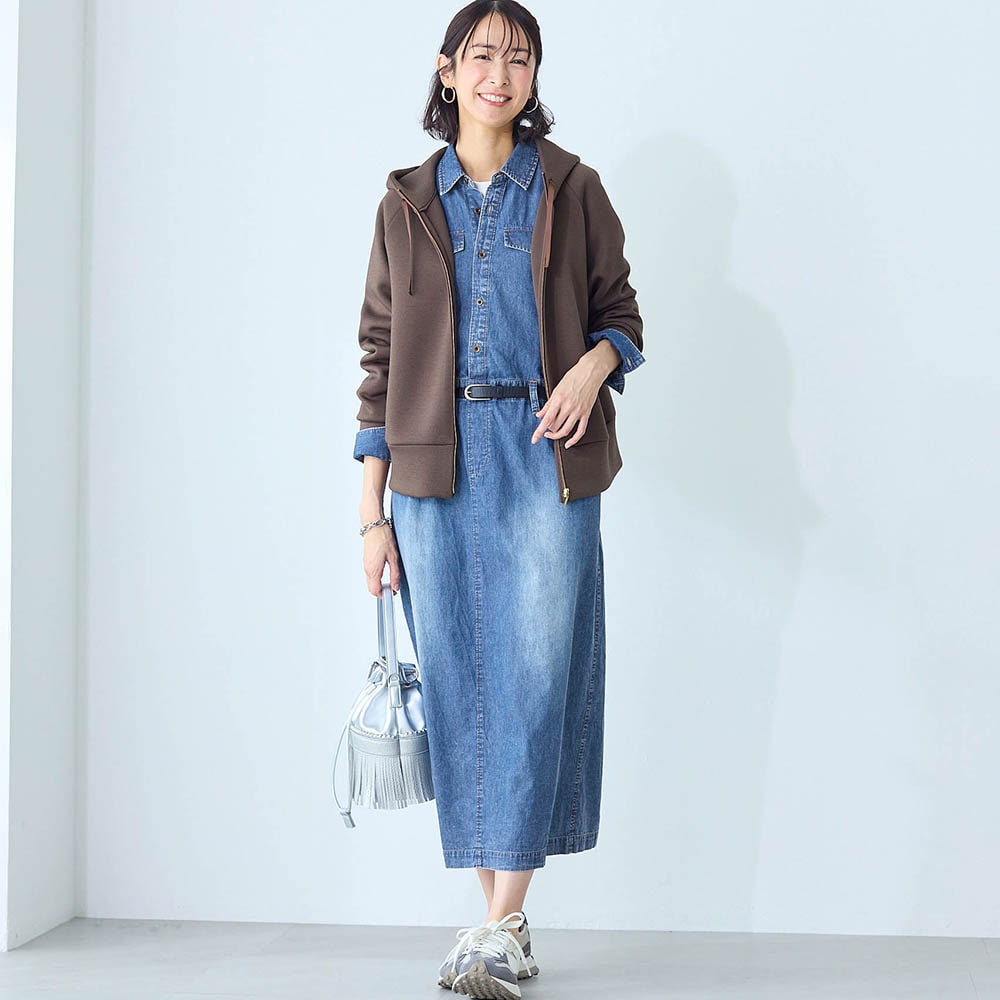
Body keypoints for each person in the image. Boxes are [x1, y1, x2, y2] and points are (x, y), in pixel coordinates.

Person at [352, 2, 645, 996]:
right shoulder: (404, 202)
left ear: (532, 78)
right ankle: (497, 928)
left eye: (519, 59)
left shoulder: (571, 185)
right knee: (461, 688)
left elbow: (621, 315)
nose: (499, 74)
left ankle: (498, 923)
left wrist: (589, 371)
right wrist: (372, 512)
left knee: (532, 678)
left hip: (540, 455)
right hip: (431, 468)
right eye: (482, 56)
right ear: (447, 71)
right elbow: (378, 361)